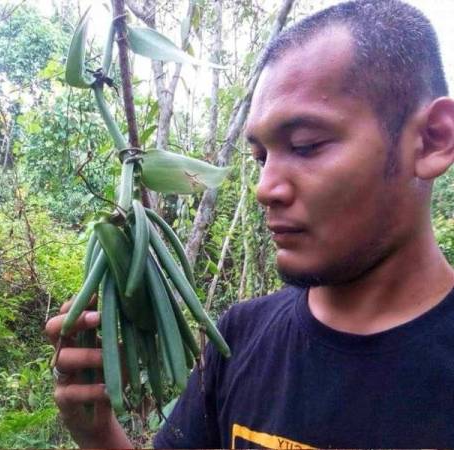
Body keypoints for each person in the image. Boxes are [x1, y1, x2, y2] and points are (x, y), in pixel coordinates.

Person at [45, 0, 454, 447]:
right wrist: (96, 429)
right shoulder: (239, 336)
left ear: (432, 140)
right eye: (260, 157)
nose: (265, 188)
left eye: (306, 145)